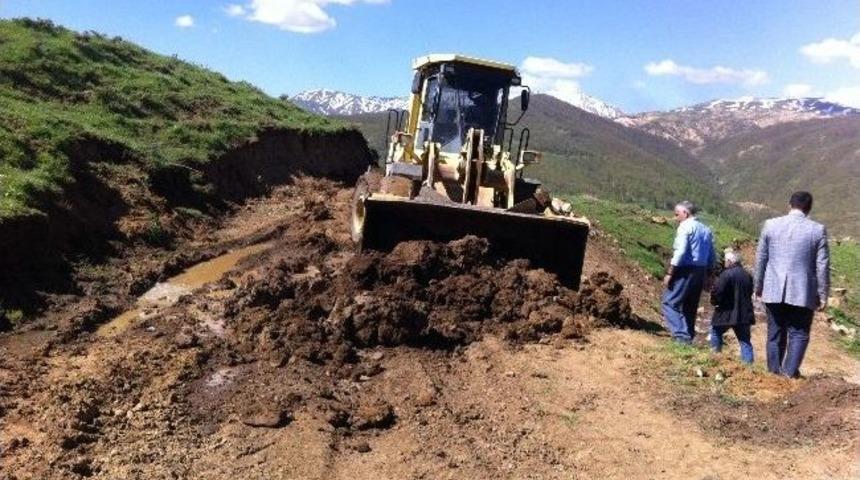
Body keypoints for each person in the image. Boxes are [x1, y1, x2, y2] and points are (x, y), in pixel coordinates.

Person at [755, 191, 830, 378]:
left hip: (773, 288)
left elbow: (761, 258)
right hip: (802, 291)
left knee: (775, 333)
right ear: (809, 208)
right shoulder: (817, 230)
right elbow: (822, 266)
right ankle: (789, 373)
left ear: (789, 205)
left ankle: (773, 373)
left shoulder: (770, 225)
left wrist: (758, 285)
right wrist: (822, 294)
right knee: (799, 333)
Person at [662, 201, 717, 344]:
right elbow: (712, 254)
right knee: (690, 305)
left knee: (669, 302)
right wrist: (710, 275)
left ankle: (681, 336)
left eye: (677, 214)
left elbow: (680, 252)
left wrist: (670, 272)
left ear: (685, 213)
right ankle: (689, 336)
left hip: (685, 269)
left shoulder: (685, 227)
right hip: (701, 270)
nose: (675, 217)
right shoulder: (706, 229)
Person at [709, 249, 755, 363]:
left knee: (715, 332)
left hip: (725, 312)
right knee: (745, 341)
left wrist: (714, 302)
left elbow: (717, 291)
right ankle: (748, 368)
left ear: (730, 260)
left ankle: (715, 358)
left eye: (726, 260)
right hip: (744, 314)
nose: (725, 262)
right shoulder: (747, 275)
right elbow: (750, 292)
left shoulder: (725, 274)